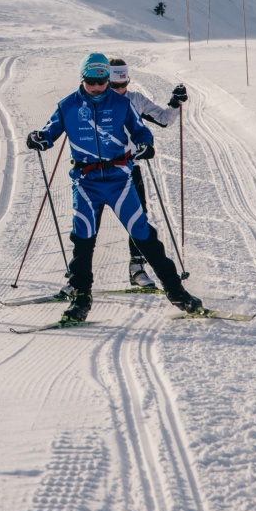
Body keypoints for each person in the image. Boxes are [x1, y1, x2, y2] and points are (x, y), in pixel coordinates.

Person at [24, 52, 205, 324]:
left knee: (144, 235)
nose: (97, 87)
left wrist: (145, 145)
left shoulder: (122, 104)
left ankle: (177, 293)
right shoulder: (68, 106)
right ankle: (80, 300)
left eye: (103, 82)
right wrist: (38, 138)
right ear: (82, 79)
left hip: (119, 180)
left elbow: (141, 131)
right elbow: (49, 133)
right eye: (91, 81)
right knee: (83, 240)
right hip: (86, 183)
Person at [107, 57, 189, 288]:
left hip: (129, 167)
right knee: (89, 222)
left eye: (123, 85)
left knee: (138, 218)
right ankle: (78, 277)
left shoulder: (136, 100)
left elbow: (163, 120)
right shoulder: (95, 102)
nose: (119, 90)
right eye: (114, 86)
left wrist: (175, 103)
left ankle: (137, 268)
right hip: (97, 169)